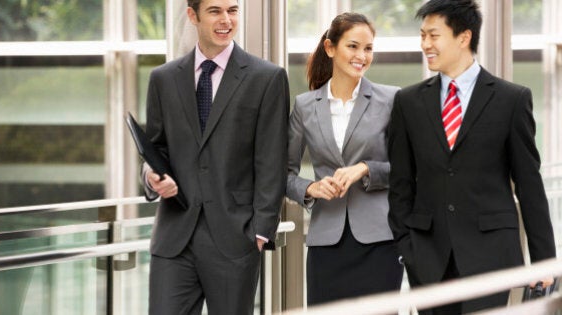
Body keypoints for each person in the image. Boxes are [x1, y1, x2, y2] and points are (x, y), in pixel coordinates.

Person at [387, 0, 556, 313]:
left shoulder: (511, 99)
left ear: (463, 37)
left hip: (492, 257)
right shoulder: (408, 102)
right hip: (429, 259)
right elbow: (400, 184)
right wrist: (408, 249)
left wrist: (544, 261)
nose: (425, 44)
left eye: (433, 36)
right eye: (422, 36)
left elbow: (529, 184)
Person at [140, 0, 289, 314]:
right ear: (192, 15)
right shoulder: (163, 79)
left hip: (236, 239)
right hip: (174, 239)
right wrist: (152, 178)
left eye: (232, 10)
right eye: (215, 11)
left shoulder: (267, 78)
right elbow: (156, 149)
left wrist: (260, 232)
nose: (226, 20)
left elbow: (271, 160)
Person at [287, 12, 403, 306]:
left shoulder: (390, 100)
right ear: (330, 48)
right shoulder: (304, 106)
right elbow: (282, 174)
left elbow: (408, 168)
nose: (361, 56)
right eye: (353, 46)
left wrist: (365, 169)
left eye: (368, 48)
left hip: (380, 242)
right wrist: (310, 189)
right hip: (326, 242)